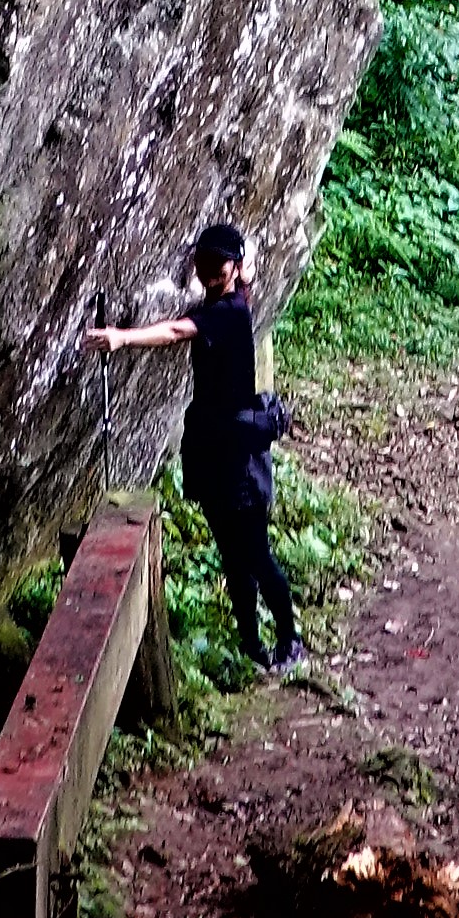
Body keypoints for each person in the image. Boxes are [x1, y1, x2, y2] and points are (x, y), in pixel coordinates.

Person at [92, 219, 303, 671]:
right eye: (203, 263)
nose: (209, 271)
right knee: (232, 559)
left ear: (232, 267)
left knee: (255, 555)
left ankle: (289, 639)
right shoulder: (227, 299)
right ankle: (253, 647)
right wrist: (246, 270)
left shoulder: (228, 313)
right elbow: (231, 289)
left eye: (218, 264)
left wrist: (121, 338)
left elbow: (174, 332)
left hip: (238, 458)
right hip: (213, 452)